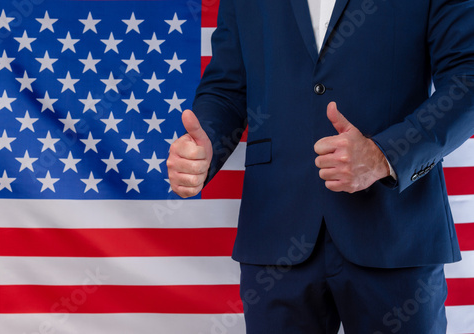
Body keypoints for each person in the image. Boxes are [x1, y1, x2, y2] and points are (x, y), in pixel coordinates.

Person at [167, 0, 474, 333]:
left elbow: (466, 81)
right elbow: (228, 87)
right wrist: (206, 146)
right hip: (277, 230)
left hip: (396, 232)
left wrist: (384, 154)